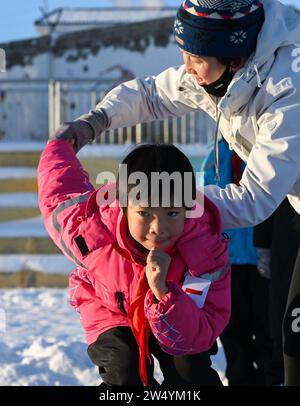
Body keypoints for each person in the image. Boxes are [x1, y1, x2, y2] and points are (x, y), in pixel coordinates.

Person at [46, 0, 300, 384]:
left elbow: (254, 198)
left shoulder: (288, 90)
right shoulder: (217, 71)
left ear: (233, 55)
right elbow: (151, 95)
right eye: (184, 54)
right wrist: (95, 121)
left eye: (195, 57)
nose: (187, 66)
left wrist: (159, 199)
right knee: (293, 342)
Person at [37, 140, 231, 386]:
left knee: (191, 372)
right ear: (124, 206)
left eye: (172, 213)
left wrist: (163, 292)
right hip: (111, 308)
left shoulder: (205, 252)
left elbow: (200, 332)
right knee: (124, 369)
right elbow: (57, 192)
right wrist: (61, 143)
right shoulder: (94, 231)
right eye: (145, 213)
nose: (158, 229)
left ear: (188, 208)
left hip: (180, 314)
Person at [203, 138, 272, 385]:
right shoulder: (216, 150)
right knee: (233, 330)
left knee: (267, 328)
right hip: (228, 258)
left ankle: (271, 376)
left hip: (261, 255)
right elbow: (208, 199)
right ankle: (240, 378)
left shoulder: (265, 144)